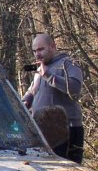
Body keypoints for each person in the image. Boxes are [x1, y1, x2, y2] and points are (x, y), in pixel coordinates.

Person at [21, 33, 85, 163]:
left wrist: (49, 76)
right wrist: (26, 99)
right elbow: (33, 91)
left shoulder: (68, 63)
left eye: (41, 49)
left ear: (53, 47)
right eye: (34, 51)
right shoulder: (41, 69)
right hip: (44, 130)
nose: (37, 54)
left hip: (67, 130)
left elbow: (75, 88)